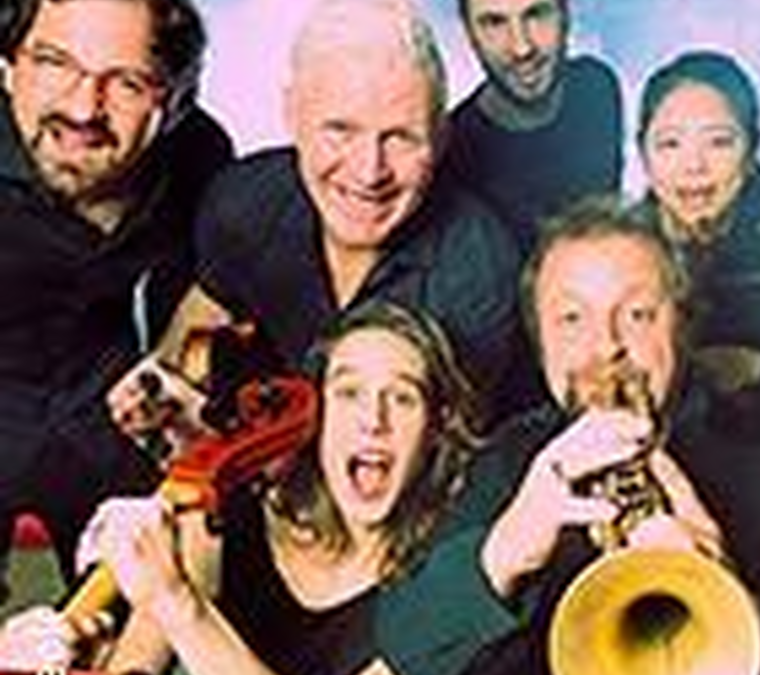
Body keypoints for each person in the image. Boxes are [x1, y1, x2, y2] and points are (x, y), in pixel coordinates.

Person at [375, 197, 760, 675]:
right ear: (539, 342)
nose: (606, 347)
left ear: (684, 325)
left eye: (638, 315)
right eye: (571, 319)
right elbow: (402, 645)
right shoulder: (505, 461)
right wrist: (504, 551)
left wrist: (732, 602)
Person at [0, 300, 482, 675]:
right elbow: (134, 667)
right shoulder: (216, 524)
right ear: (315, 414)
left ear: (437, 429)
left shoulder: (451, 586)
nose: (373, 420)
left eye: (402, 398)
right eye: (349, 392)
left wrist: (176, 602)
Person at [108, 0, 520, 435]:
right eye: (341, 130)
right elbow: (190, 342)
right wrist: (160, 396)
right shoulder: (241, 202)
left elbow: (450, 452)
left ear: (440, 137)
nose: (369, 172)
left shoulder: (480, 270)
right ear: (292, 115)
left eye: (401, 137)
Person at [0, 0, 233, 596]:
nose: (84, 108)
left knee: (153, 607)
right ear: (7, 65)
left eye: (126, 83)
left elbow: (207, 293)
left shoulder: (201, 159)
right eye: (55, 63)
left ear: (175, 100)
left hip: (106, 420)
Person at [635, 50, 760, 430]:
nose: (694, 166)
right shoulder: (619, 252)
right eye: (670, 144)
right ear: (643, 153)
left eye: (719, 142)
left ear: (752, 150)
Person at [447, 0, 622, 258]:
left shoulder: (596, 86)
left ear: (565, 15)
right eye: (494, 23)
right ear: (469, 34)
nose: (522, 48)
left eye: (536, 14)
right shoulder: (450, 154)